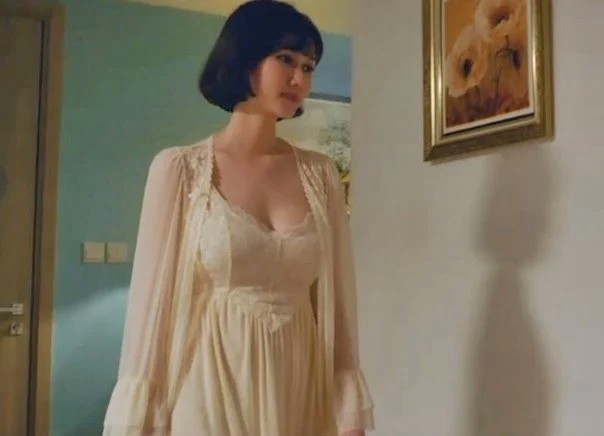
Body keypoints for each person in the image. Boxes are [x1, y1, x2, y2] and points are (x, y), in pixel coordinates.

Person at [102, 1, 374, 435]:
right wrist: (139, 421)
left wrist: (348, 413)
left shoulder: (320, 174)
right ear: (245, 57)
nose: (299, 79)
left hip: (299, 392)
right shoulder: (181, 169)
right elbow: (152, 309)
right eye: (285, 59)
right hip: (209, 386)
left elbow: (337, 303)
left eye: (308, 67)